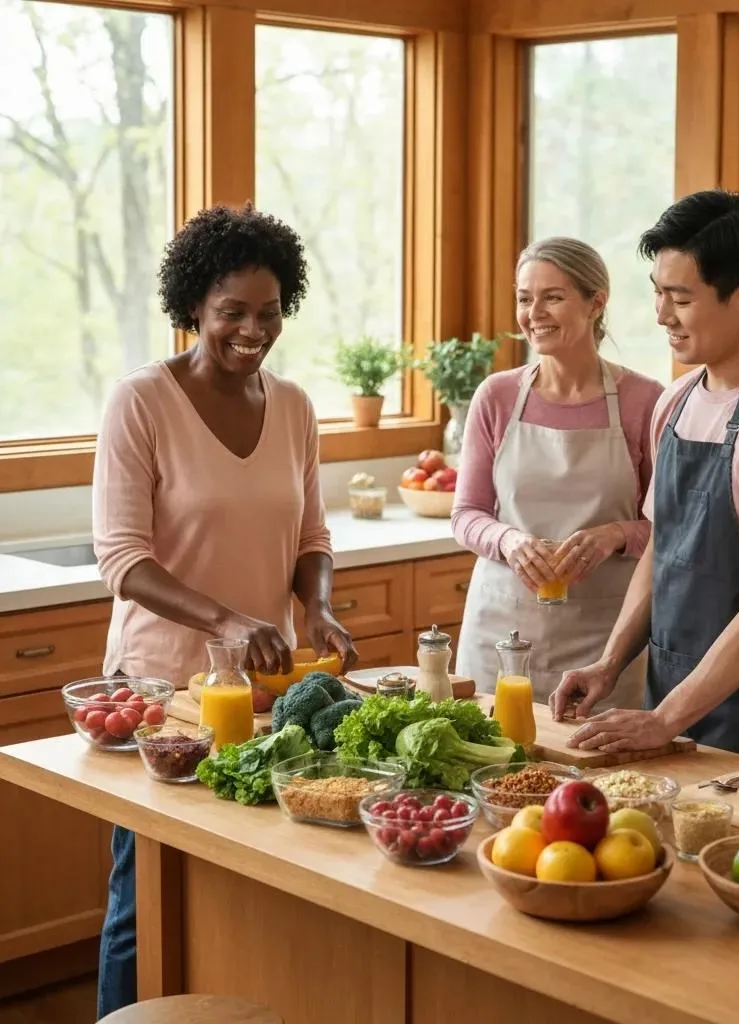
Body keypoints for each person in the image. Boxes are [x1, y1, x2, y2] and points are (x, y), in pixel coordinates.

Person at [91, 203, 358, 1017]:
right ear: (193, 310)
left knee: (246, 892)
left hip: (266, 695)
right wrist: (228, 622)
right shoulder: (140, 402)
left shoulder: (297, 407)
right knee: (146, 897)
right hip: (165, 693)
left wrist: (315, 608)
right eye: (232, 313)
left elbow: (311, 534)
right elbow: (123, 559)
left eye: (269, 312)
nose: (254, 330)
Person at [551, 190, 739, 755]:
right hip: (670, 697)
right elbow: (662, 547)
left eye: (681, 298)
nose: (662, 314)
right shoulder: (678, 402)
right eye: (658, 293)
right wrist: (611, 662)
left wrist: (664, 720)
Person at [453, 237, 664, 704]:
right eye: (525, 299)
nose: (534, 313)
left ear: (596, 302)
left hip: (605, 640)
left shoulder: (645, 401)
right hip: (502, 630)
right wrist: (509, 541)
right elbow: (466, 513)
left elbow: (671, 529)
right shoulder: (497, 396)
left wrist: (614, 534)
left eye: (553, 297)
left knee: (601, 775)